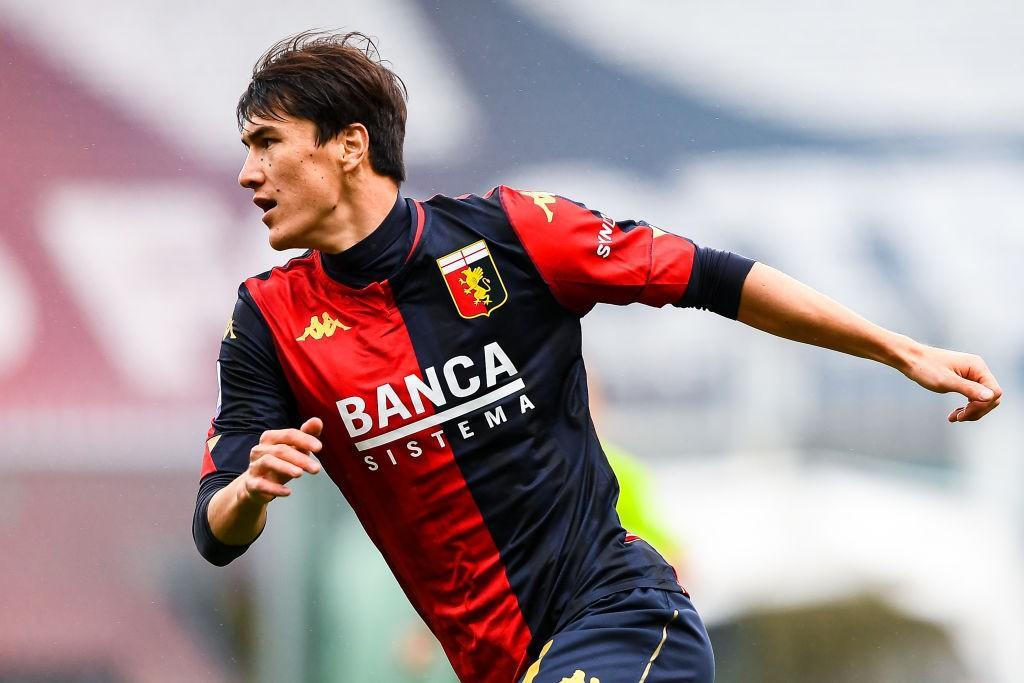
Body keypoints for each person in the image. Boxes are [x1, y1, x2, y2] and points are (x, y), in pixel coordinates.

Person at [192, 31, 1002, 683]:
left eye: (267, 142)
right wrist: (252, 491)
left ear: (347, 146)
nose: (246, 172)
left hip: (621, 616)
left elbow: (714, 277)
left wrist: (900, 350)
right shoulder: (268, 319)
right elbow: (214, 529)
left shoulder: (511, 233)